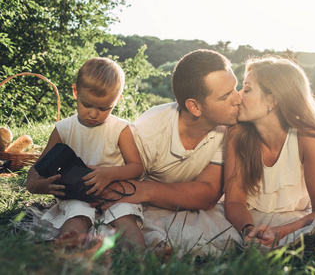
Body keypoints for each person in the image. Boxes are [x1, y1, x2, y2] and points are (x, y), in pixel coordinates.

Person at [97, 49, 242, 255]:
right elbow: (114, 191)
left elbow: (208, 193)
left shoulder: (227, 128)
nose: (238, 99)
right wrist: (137, 189)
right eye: (226, 96)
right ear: (195, 107)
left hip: (154, 197)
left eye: (235, 88)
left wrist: (145, 189)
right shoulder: (150, 129)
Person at [26, 57, 145, 249]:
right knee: (76, 220)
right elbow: (35, 174)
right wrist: (44, 186)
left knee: (125, 220)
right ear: (75, 92)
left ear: (117, 101)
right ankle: (68, 255)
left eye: (104, 108)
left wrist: (109, 174)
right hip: (76, 195)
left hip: (113, 193)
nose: (93, 114)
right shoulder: (63, 129)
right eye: (87, 105)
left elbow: (137, 167)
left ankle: (142, 260)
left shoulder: (121, 129)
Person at [223, 56, 315, 247]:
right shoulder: (237, 134)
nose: (238, 96)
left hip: (294, 219)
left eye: (247, 89)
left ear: (272, 100)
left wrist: (278, 232)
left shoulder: (309, 138)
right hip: (246, 217)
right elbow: (234, 202)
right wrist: (249, 231)